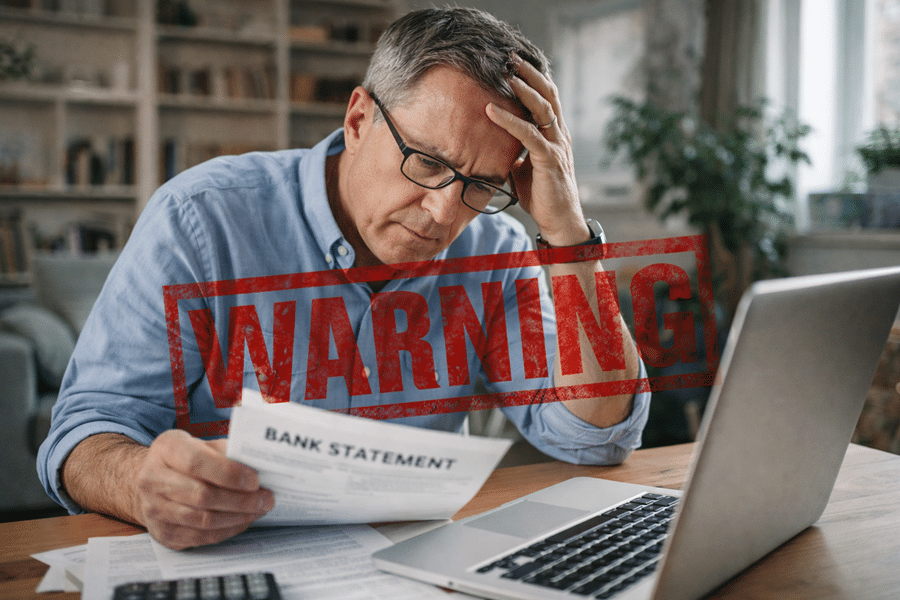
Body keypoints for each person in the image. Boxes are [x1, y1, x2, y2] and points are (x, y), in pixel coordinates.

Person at [38, 7, 650, 550]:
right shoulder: (202, 217)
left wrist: (569, 236)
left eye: (483, 186)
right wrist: (140, 483)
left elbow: (592, 436)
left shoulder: (495, 250)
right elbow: (85, 434)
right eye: (429, 163)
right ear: (358, 119)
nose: (444, 214)